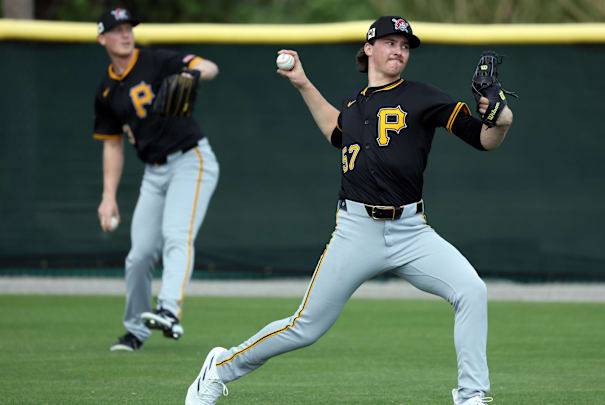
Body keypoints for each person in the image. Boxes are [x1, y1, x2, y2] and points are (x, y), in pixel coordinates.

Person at [185, 16, 512, 405]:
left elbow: (483, 138)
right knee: (305, 327)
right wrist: (302, 82)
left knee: (471, 291)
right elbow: (334, 130)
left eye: (406, 46)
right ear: (369, 48)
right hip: (356, 230)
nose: (399, 50)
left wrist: (501, 118)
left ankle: (472, 396)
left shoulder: (423, 96)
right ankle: (219, 368)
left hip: (411, 230)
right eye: (391, 42)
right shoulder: (354, 106)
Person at [93, 8, 220, 352]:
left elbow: (210, 66)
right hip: (154, 171)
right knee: (139, 256)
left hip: (191, 160)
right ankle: (135, 331)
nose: (125, 34)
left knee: (176, 235)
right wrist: (108, 196)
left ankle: (168, 310)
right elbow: (112, 146)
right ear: (102, 38)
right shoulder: (107, 91)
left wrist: (193, 74)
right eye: (116, 30)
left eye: (129, 28)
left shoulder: (157, 61)